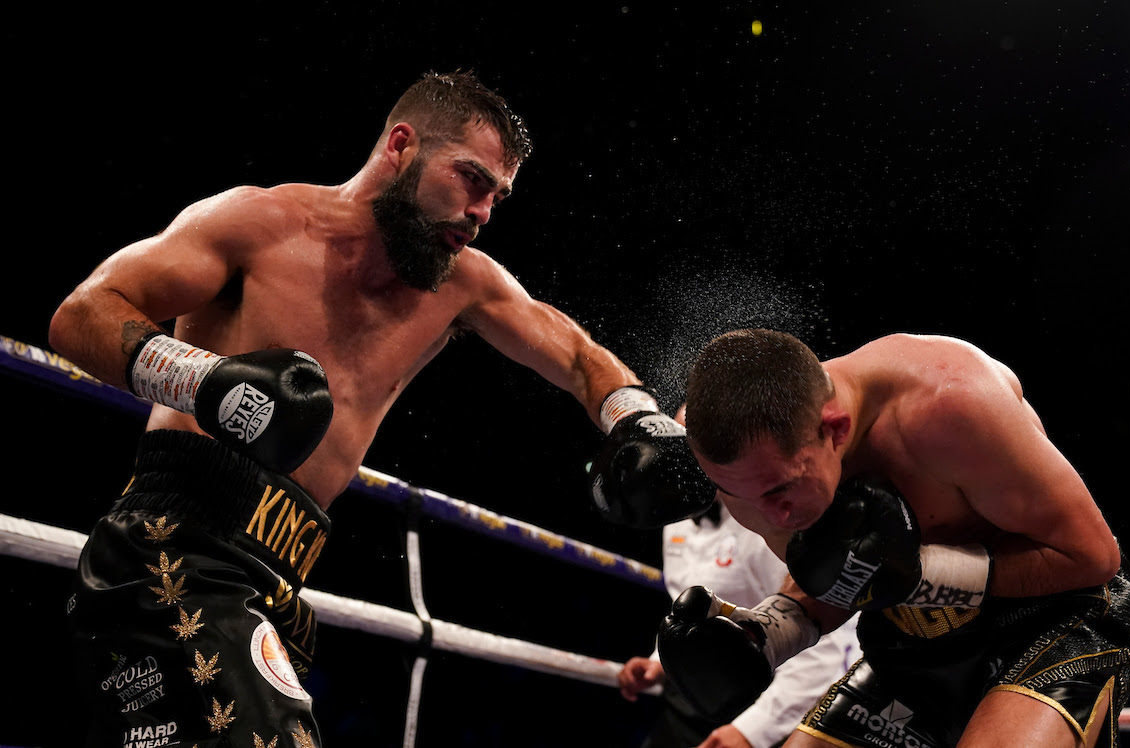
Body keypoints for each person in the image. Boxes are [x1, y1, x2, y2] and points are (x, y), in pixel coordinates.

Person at [48, 70, 711, 747]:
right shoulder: (259, 224)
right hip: (172, 548)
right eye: (472, 179)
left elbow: (576, 354)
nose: (483, 211)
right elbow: (81, 315)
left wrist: (638, 418)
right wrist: (208, 382)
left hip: (278, 576)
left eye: (498, 196)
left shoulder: (463, 287)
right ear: (401, 145)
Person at [656, 329, 1130, 748]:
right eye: (738, 494)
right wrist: (772, 630)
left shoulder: (950, 404)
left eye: (781, 489)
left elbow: (1092, 557)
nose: (770, 514)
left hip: (1049, 621)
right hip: (909, 639)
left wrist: (923, 576)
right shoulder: (754, 475)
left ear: (835, 430)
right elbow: (843, 576)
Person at [619, 496, 861, 748]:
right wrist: (661, 660)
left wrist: (750, 732)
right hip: (689, 701)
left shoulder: (766, 520)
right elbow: (687, 604)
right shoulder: (676, 520)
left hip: (767, 701)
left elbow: (819, 643)